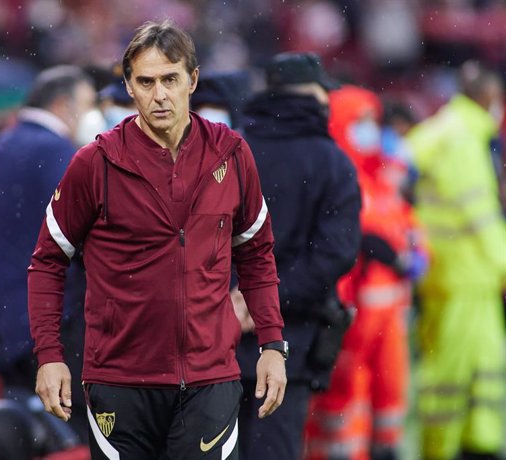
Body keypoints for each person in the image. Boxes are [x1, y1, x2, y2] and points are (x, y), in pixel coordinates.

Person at [28, 19, 287, 460]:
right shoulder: (94, 163)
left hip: (211, 377)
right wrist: (50, 355)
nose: (159, 94)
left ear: (193, 80)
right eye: (146, 82)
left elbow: (257, 254)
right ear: (128, 86)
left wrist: (272, 344)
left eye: (170, 79)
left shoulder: (232, 153)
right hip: (118, 381)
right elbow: (48, 262)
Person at [238, 52, 362, 460]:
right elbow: (335, 255)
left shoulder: (229, 149)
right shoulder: (332, 162)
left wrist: (231, 297)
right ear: (313, 94)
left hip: (212, 336)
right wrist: (268, 303)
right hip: (289, 338)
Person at [304, 85, 427, 460]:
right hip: (352, 315)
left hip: (391, 313)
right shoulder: (335, 179)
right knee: (342, 402)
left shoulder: (384, 175)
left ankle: (384, 448)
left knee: (390, 393)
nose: (370, 130)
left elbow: (406, 225)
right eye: (361, 122)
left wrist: (416, 255)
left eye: (373, 121)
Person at [0, 66, 96, 440]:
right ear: (63, 103)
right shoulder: (57, 151)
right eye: (87, 104)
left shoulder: (5, 143)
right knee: (70, 432)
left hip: (9, 313)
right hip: (54, 316)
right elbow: (82, 234)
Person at [404, 60, 506, 460]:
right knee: (451, 373)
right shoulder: (462, 140)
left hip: (461, 278)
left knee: (484, 367)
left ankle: (479, 442)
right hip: (463, 278)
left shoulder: (441, 132)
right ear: (488, 98)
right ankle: (444, 448)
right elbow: (481, 219)